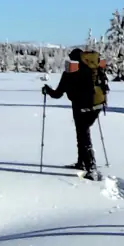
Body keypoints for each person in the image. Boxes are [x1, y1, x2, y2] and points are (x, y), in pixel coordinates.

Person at [42, 48, 107, 179]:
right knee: (83, 132)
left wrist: (47, 90)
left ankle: (91, 168)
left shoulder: (68, 75)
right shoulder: (95, 69)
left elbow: (57, 94)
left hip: (81, 107)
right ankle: (82, 162)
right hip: (97, 106)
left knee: (83, 135)